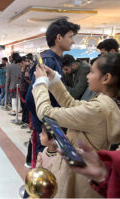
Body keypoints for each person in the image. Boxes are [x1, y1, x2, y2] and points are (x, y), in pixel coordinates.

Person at [32, 52, 120, 198]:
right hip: (82, 173)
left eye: (92, 72)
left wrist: (40, 83)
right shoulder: (106, 104)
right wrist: (53, 78)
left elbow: (45, 113)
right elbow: (71, 104)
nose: (87, 76)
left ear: (106, 78)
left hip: (80, 178)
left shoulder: (98, 109)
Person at [25, 18, 80, 163]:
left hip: (51, 122)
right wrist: (44, 125)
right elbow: (31, 97)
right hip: (49, 126)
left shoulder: (53, 59)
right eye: (70, 36)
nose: (73, 41)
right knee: (45, 162)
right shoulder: (48, 61)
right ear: (59, 37)